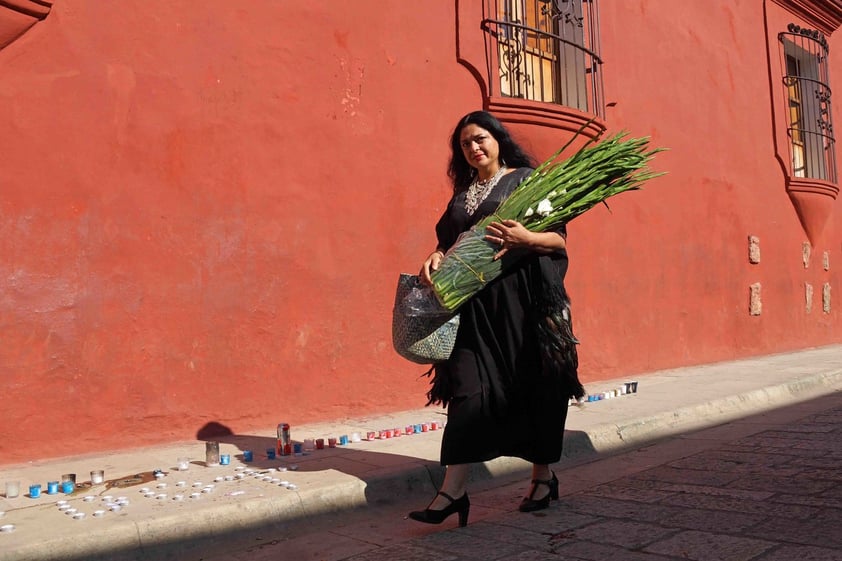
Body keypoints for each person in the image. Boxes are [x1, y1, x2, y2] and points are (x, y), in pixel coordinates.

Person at [408, 110, 585, 528]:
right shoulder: (463, 193)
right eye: (465, 143)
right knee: (468, 390)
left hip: (524, 305)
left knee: (536, 386)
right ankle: (452, 491)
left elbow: (558, 237)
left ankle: (543, 478)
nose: (473, 148)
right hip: (474, 310)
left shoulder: (525, 180)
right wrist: (435, 255)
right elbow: (448, 241)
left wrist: (527, 238)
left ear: (498, 139)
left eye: (480, 139)